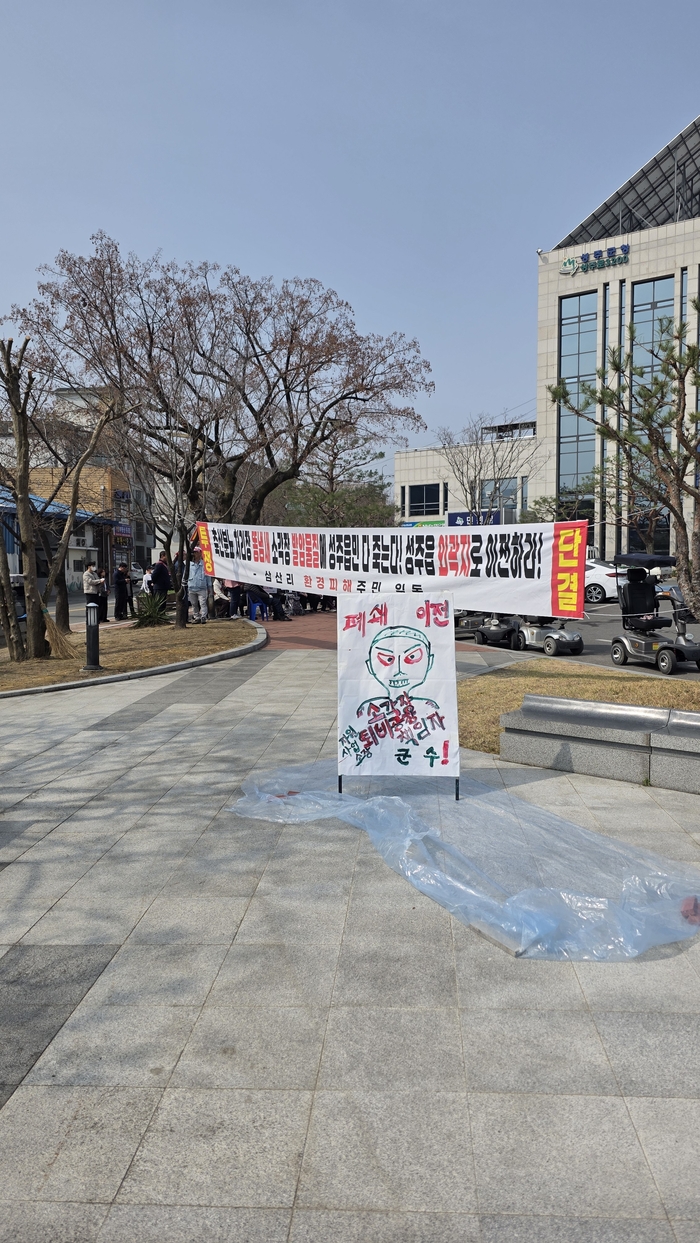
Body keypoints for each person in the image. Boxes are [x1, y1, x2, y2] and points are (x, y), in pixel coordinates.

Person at [186, 548, 209, 623]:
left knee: (203, 603)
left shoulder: (205, 564)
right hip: (191, 587)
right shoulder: (189, 564)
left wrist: (210, 587)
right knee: (194, 604)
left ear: (200, 553)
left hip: (202, 587)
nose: (194, 554)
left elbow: (208, 576)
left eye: (196, 552)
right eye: (194, 552)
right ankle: (196, 617)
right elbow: (185, 575)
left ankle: (203, 617)